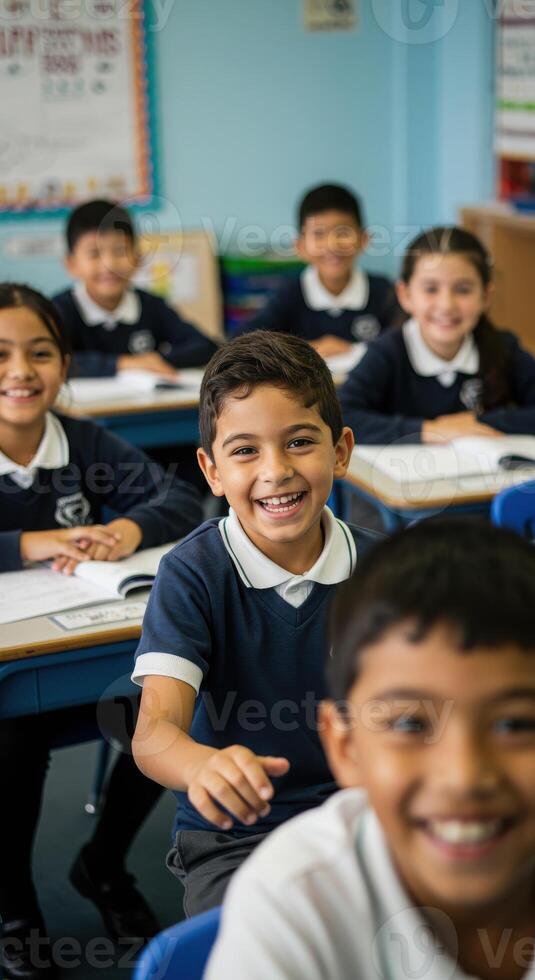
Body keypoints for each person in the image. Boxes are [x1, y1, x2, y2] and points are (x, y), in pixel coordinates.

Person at [206, 519, 535, 980]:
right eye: (408, 724)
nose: (464, 776)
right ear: (346, 748)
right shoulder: (296, 900)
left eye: (515, 724)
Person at [131, 330, 381, 916]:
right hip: (236, 837)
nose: (276, 471)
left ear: (340, 451)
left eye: (299, 442)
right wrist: (204, 765)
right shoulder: (192, 574)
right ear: (211, 470)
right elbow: (152, 736)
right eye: (245, 451)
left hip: (368, 818)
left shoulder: (387, 572)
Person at [0, 284, 203, 979]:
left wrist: (126, 528)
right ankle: (15, 906)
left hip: (80, 644)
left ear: (64, 364)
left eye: (39, 353)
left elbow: (178, 495)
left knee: (163, 703)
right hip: (10, 675)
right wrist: (28, 543)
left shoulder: (80, 439)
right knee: (11, 738)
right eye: (0, 355)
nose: (20, 371)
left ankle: (104, 861)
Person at [339, 225, 535, 444]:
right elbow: (341, 417)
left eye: (463, 289)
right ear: (405, 295)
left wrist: (479, 423)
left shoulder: (503, 348)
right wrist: (431, 430)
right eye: (431, 289)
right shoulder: (387, 353)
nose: (446, 305)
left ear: (486, 297)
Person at [53, 198, 218, 378]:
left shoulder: (151, 305)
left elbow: (205, 346)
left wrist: (155, 360)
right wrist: (126, 363)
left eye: (120, 251)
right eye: (94, 254)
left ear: (137, 258)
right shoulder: (59, 310)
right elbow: (53, 361)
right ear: (71, 264)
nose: (109, 264)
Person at [235, 183, 399, 357]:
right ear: (300, 246)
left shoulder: (383, 292)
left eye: (343, 232)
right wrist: (310, 349)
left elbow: (405, 342)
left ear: (364, 239)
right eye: (318, 234)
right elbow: (241, 342)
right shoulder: (290, 293)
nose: (332, 245)